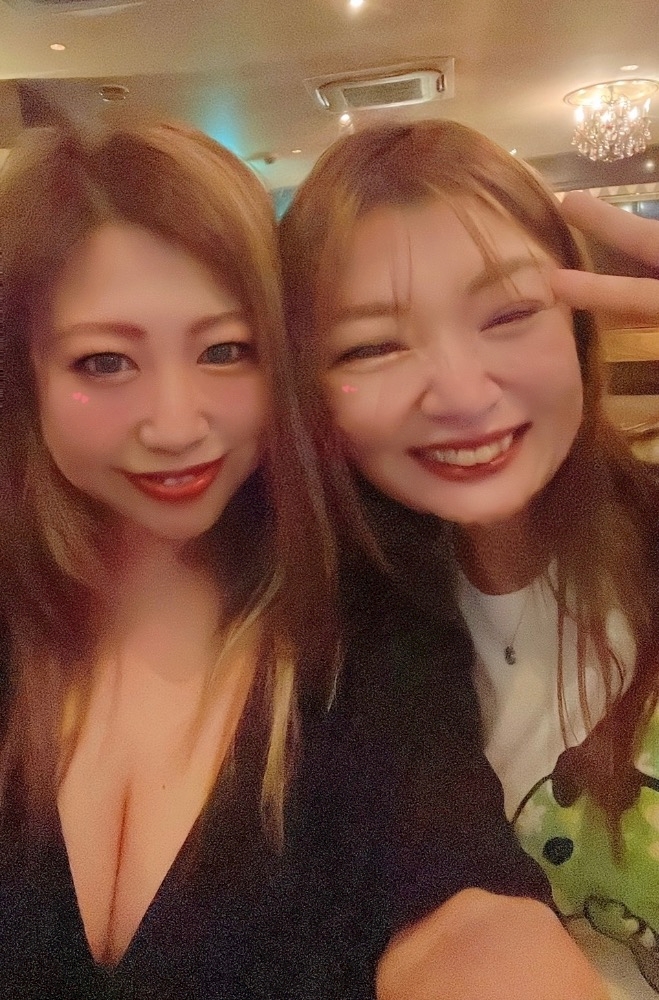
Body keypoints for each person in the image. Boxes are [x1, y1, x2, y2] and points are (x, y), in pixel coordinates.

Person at [0, 117, 605, 1000]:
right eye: (104, 362)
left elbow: (464, 910)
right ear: (25, 379)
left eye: (225, 350)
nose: (175, 424)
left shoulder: (359, 596)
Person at [280, 118, 659, 1000]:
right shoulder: (322, 654)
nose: (459, 394)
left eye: (510, 314)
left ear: (578, 324)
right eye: (372, 345)